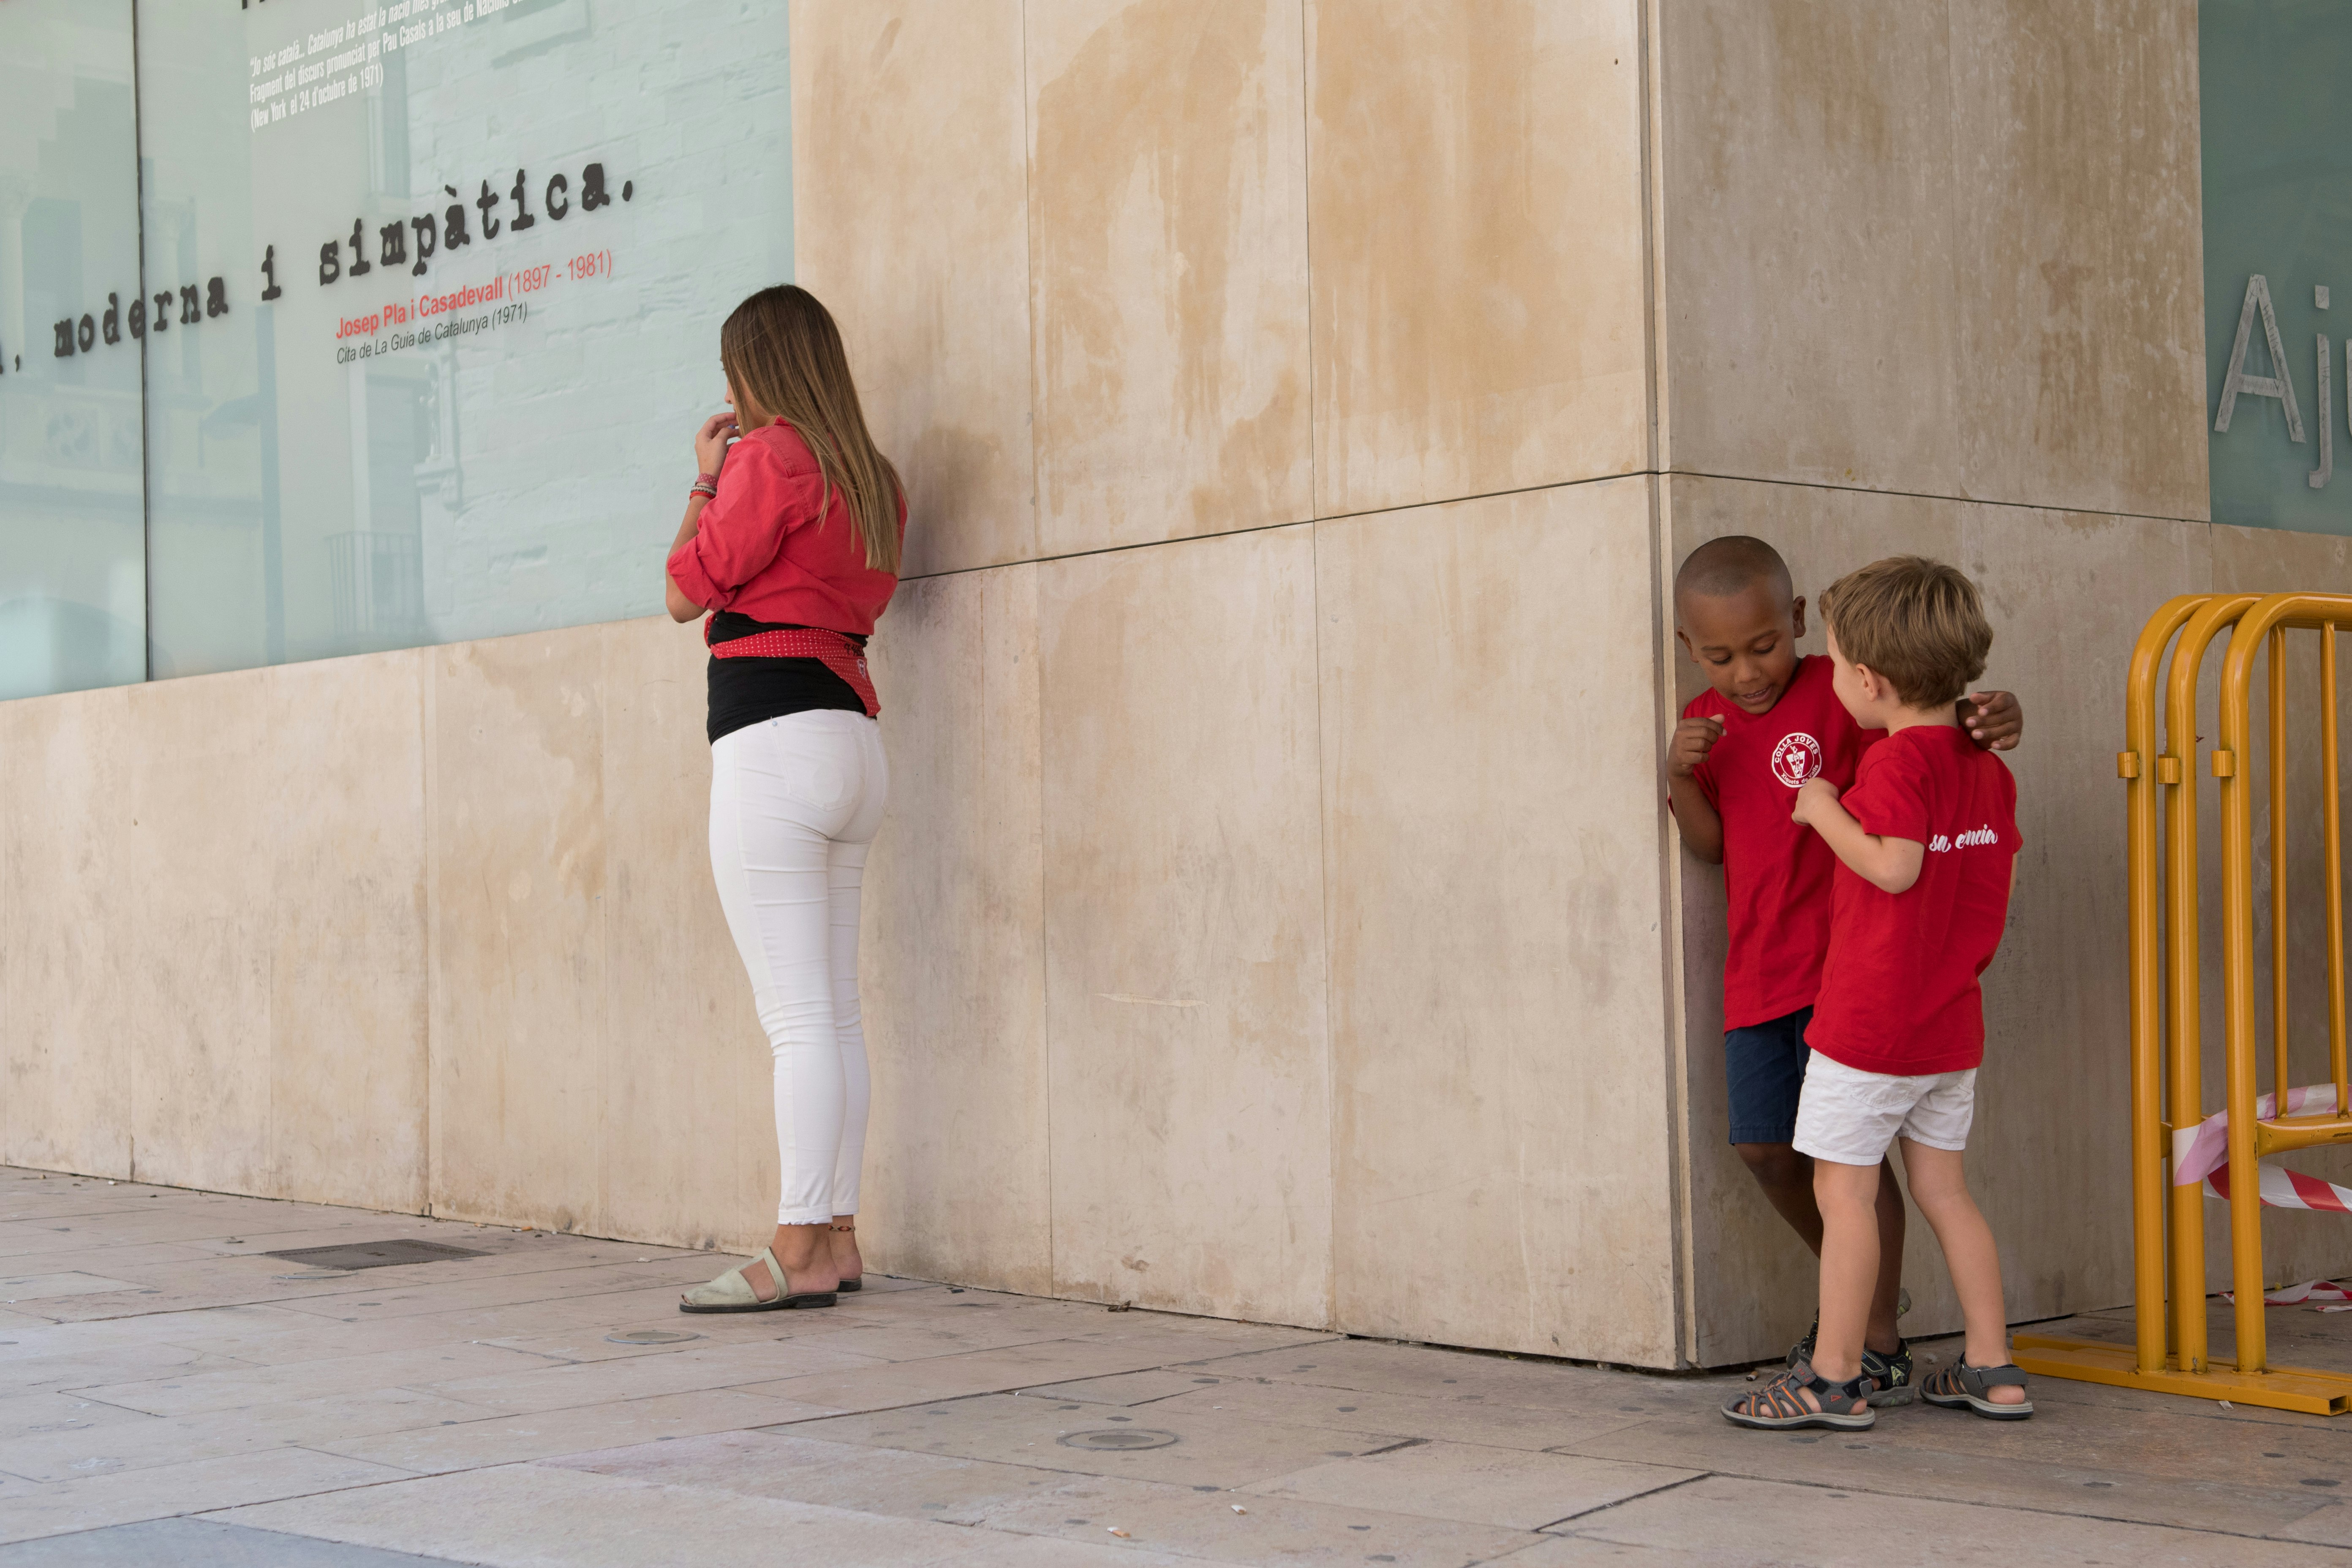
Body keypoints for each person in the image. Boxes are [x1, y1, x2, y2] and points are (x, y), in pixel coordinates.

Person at [1664, 536, 2021, 1400]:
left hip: (1856, 979)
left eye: (1764, 645)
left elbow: (1925, 769)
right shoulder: (1707, 723)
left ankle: (1859, 1350)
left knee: (1852, 1177)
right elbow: (1710, 847)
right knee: (1770, 1146)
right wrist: (1677, 776)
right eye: (1719, 655)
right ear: (1690, 649)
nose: (1747, 670)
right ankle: (1976, 1356)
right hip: (1771, 971)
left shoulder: (1851, 691)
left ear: (1798, 625)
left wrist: (1987, 716)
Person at [661, 284, 906, 1313]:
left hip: (773, 742)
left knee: (797, 1019)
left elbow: (686, 588)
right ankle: (838, 1233)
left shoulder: (769, 458)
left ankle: (799, 1245)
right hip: (853, 738)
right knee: (834, 1014)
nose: (731, 393)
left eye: (735, 371)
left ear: (758, 368)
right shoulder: (875, 478)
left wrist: (704, 480)